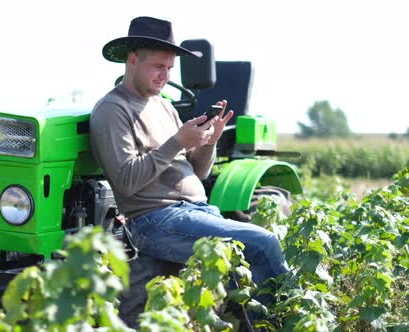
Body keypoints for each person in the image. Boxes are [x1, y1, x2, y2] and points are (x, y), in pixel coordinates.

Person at [90, 16, 288, 298]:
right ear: (132, 60)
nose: (165, 76)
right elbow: (125, 181)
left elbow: (198, 173)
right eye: (158, 66)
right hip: (155, 219)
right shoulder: (113, 109)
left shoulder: (164, 107)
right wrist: (178, 141)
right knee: (264, 243)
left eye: (170, 68)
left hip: (195, 210)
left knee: (241, 283)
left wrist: (208, 143)